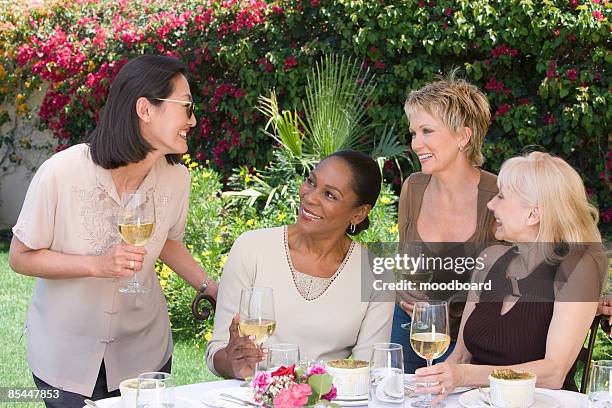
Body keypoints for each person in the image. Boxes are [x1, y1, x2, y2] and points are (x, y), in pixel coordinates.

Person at [9, 55, 218, 407]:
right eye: (186, 107)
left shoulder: (177, 178)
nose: (193, 120)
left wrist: (212, 287)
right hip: (64, 358)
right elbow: (20, 256)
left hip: (144, 356)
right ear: (145, 109)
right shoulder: (61, 172)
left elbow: (166, 240)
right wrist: (98, 265)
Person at [412, 152, 606, 404]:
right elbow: (459, 356)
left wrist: (465, 375)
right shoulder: (490, 259)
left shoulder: (578, 267)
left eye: (502, 196)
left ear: (533, 214)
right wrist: (435, 385)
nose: (491, 205)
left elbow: (554, 373)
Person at [206, 150, 394, 379]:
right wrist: (234, 362)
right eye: (311, 182)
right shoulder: (251, 248)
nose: (310, 197)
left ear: (358, 213)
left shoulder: (376, 275)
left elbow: (369, 370)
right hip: (253, 397)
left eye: (330, 195)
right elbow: (218, 352)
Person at [392, 73, 498, 373]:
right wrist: (401, 291)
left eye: (427, 131)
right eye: (413, 133)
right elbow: (404, 264)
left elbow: (523, 277)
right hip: (409, 332)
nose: (416, 143)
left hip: (472, 347)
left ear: (463, 137)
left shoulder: (500, 196)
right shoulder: (413, 188)